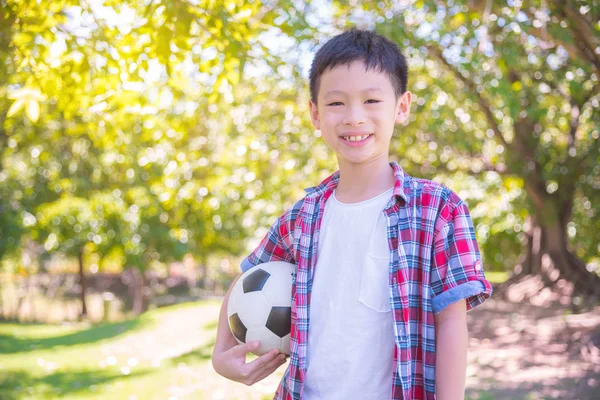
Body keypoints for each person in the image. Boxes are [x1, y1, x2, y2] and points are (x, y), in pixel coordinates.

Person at [212, 28, 493, 400]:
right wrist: (220, 355)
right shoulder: (302, 217)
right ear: (315, 114)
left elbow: (452, 321)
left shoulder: (437, 209)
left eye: (372, 100)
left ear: (402, 106)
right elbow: (248, 276)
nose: (354, 117)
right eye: (336, 103)